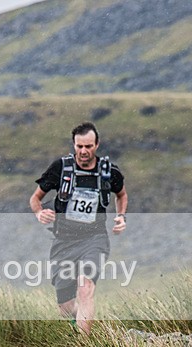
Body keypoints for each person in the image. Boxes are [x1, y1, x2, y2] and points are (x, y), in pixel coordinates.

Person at [30, 122, 128, 334]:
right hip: (64, 240)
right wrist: (39, 212)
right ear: (74, 144)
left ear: (97, 145)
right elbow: (35, 198)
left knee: (85, 287)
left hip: (94, 239)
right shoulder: (61, 168)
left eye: (89, 146)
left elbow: (121, 194)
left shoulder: (108, 172)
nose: (84, 151)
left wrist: (121, 216)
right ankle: (80, 322)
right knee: (65, 307)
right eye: (79, 146)